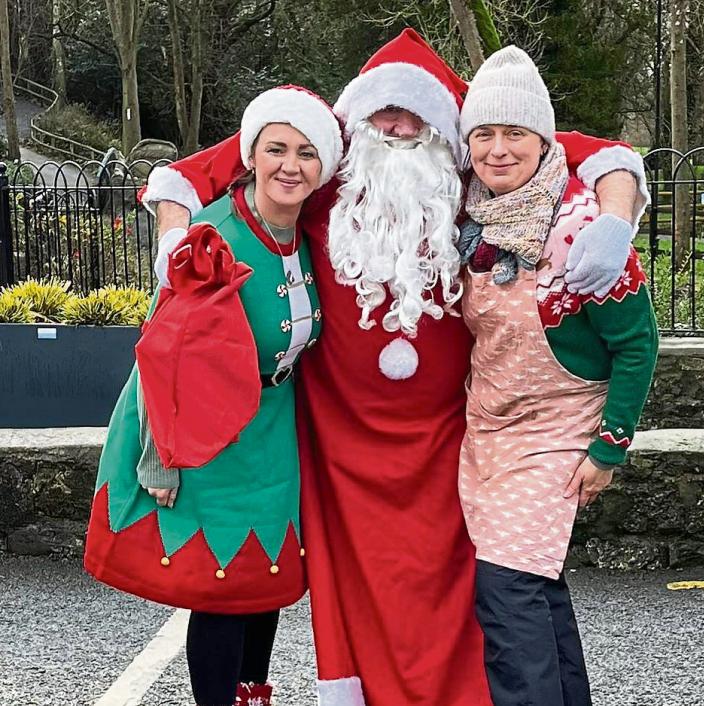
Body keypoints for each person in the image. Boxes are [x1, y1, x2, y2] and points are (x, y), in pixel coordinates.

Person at [140, 29, 651, 706]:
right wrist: (175, 235)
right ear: (357, 121)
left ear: (445, 125)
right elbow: (195, 171)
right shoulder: (323, 164)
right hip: (339, 443)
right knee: (325, 584)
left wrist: (615, 217)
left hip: (455, 439)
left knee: (489, 590)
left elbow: (593, 154)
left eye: (417, 117)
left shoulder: (474, 160)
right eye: (385, 116)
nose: (401, 127)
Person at [84, 86, 344, 706]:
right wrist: (160, 457)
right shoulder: (209, 238)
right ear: (250, 155)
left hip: (269, 428)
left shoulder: (304, 235)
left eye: (307, 153)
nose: (290, 165)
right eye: (276, 149)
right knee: (221, 592)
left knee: (263, 580)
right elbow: (162, 354)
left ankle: (253, 696)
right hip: (201, 432)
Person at [456, 46, 659, 706]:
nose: (497, 149)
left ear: (543, 139)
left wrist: (610, 447)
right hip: (488, 430)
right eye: (483, 133)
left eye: (514, 132)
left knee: (507, 595)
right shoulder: (472, 214)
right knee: (535, 587)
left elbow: (638, 344)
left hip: (556, 433)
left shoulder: (580, 224)